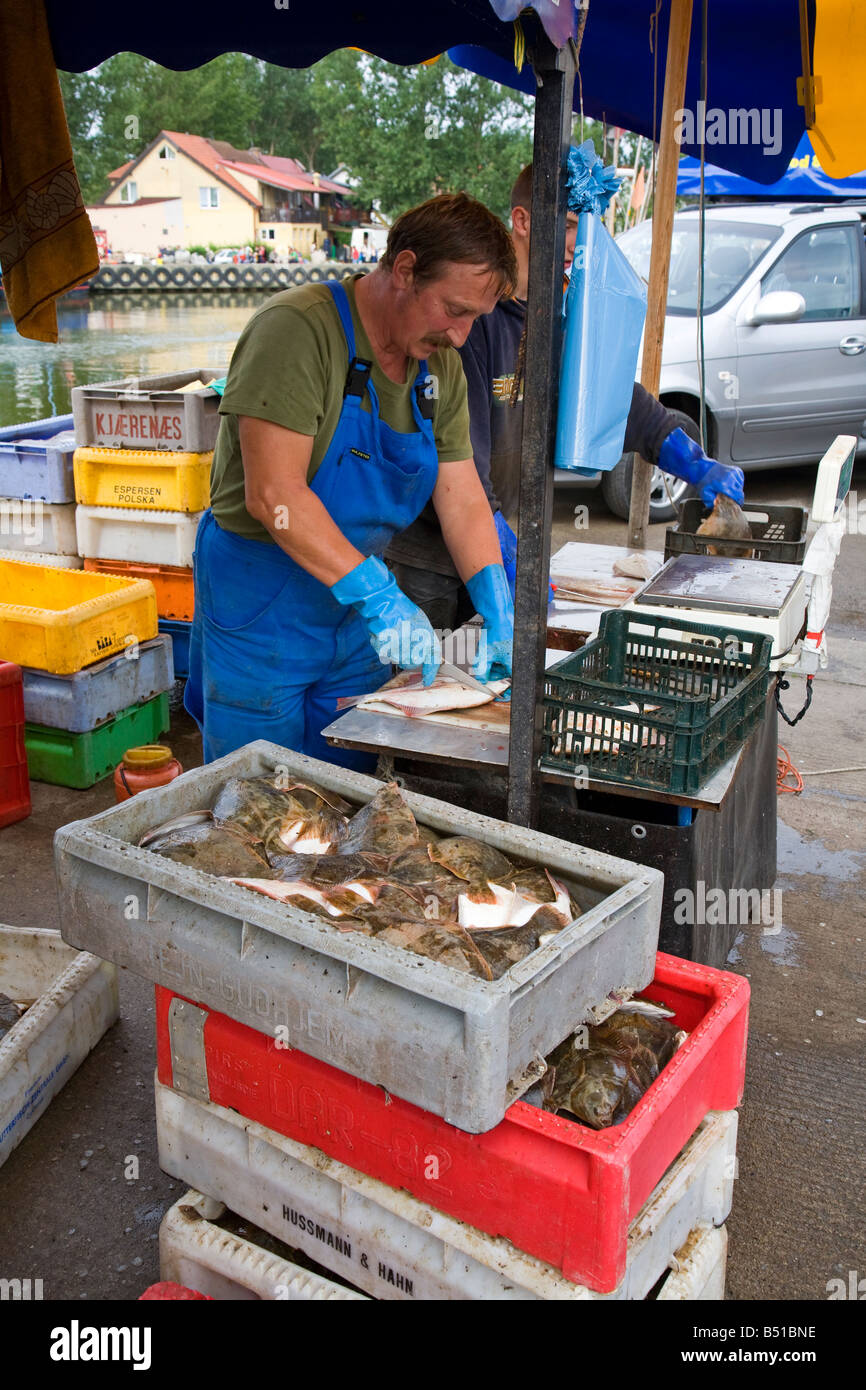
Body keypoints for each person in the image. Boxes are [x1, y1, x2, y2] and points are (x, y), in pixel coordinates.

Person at [185, 192, 517, 771]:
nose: (462, 336)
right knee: (256, 796)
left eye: (475, 320)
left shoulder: (439, 368)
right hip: (261, 601)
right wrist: (380, 598)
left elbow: (461, 497)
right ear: (405, 269)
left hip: (354, 620)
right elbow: (275, 496)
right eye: (454, 310)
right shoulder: (296, 331)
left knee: (349, 785)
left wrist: (494, 599)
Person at [387, 163, 745, 628]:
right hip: (426, 554)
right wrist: (508, 555)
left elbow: (614, 401)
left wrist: (692, 459)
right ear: (523, 221)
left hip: (495, 534)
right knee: (431, 675)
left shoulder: (562, 310)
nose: (579, 243)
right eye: (571, 224)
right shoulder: (470, 321)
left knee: (488, 675)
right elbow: (461, 460)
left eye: (588, 227)